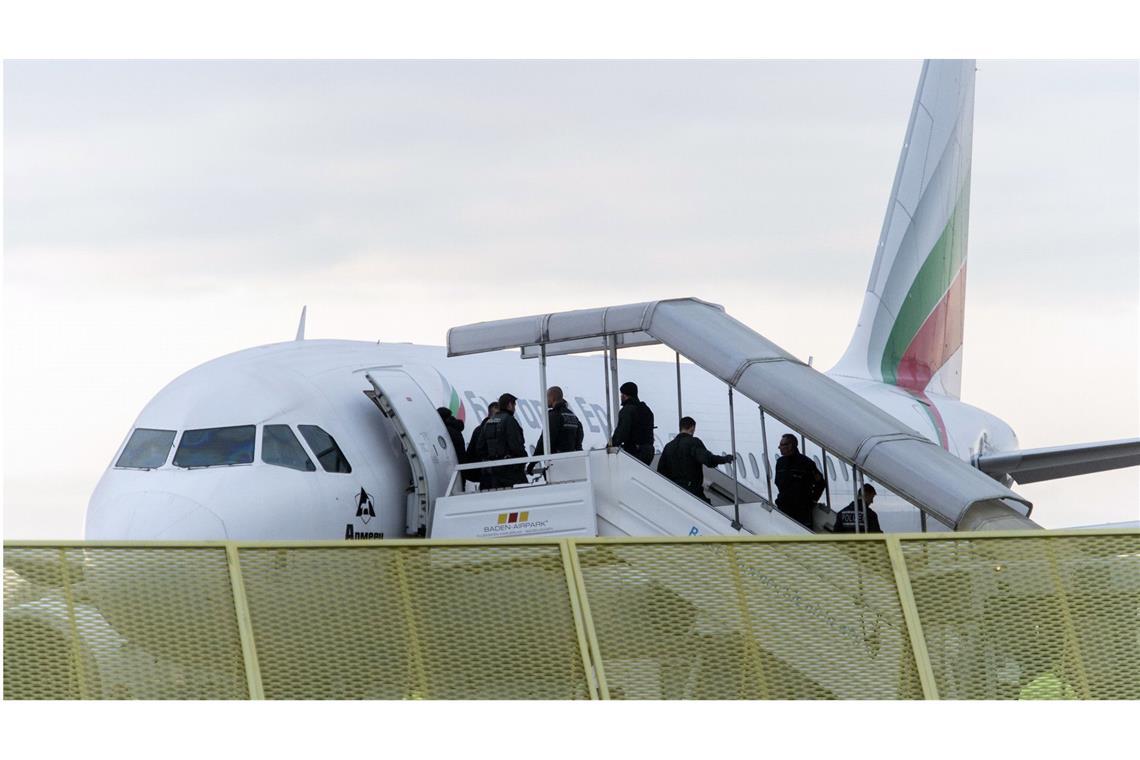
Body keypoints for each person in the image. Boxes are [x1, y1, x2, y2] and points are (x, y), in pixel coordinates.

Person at [657, 417, 735, 503]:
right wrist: (725, 459)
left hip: (674, 491)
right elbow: (708, 460)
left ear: (680, 427)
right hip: (692, 490)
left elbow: (661, 471)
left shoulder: (668, 446)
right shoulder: (693, 442)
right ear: (692, 428)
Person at [528, 386, 584, 475]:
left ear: (552, 397)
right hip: (572, 463)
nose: (545, 400)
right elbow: (579, 439)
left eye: (547, 397)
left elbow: (544, 441)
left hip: (558, 465)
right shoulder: (573, 417)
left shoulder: (553, 416)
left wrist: (532, 463)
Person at [774, 434, 825, 528]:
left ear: (790, 446)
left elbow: (820, 483)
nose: (779, 447)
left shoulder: (807, 463)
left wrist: (812, 501)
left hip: (801, 511)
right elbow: (777, 482)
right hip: (784, 508)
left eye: (782, 445)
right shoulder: (780, 462)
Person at [480, 393, 527, 488]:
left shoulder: (488, 422)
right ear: (509, 405)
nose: (514, 408)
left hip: (493, 474)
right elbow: (516, 446)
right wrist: (523, 457)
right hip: (510, 472)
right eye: (514, 405)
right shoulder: (510, 421)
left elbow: (480, 447)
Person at [611, 381, 655, 465]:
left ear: (625, 395)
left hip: (635, 452)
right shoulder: (646, 409)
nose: (621, 396)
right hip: (649, 451)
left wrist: (611, 445)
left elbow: (621, 432)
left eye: (622, 393)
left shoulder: (627, 410)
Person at [465, 401, 498, 490]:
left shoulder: (478, 429)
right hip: (492, 474)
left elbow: (471, 453)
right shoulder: (493, 430)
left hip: (483, 475)